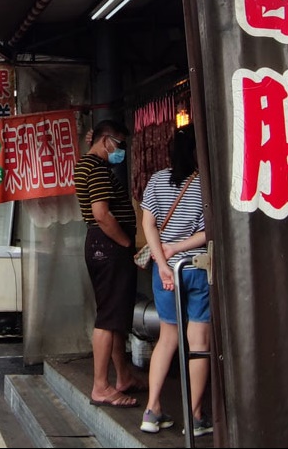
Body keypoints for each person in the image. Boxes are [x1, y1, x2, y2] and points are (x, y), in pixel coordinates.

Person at [138, 127, 212, 437]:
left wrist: (163, 262)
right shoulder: (204, 185)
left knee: (166, 339)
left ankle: (152, 410)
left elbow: (148, 223)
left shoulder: (156, 180)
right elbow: (210, 231)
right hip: (195, 268)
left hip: (165, 271)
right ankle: (195, 418)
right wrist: (178, 250)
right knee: (199, 344)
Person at [74, 118, 144, 408]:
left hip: (101, 245)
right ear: (106, 141)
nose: (121, 150)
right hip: (109, 246)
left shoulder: (86, 165)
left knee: (114, 316)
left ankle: (123, 376)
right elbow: (101, 214)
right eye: (119, 143)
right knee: (107, 318)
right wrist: (127, 243)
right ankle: (101, 386)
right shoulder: (97, 169)